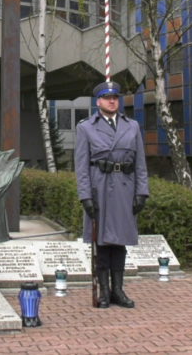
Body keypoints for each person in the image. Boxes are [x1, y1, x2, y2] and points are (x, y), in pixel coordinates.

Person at [74, 81, 149, 309]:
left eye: (115, 97)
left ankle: (118, 290)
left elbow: (140, 163)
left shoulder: (132, 126)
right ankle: (104, 291)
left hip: (125, 189)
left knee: (120, 241)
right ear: (98, 102)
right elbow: (81, 165)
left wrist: (142, 192)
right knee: (102, 241)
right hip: (100, 188)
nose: (112, 101)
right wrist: (85, 196)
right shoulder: (86, 127)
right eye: (107, 98)